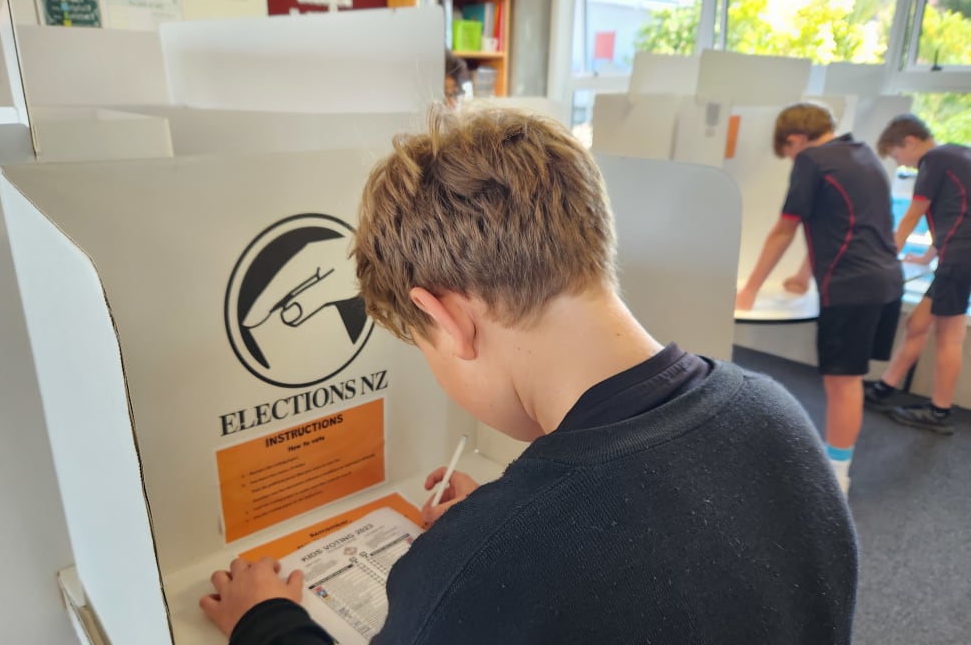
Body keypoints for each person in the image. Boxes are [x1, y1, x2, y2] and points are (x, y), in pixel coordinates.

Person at [201, 107, 857, 645]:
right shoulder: (781, 419)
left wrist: (264, 622)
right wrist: (494, 530)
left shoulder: (482, 569)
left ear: (445, 316)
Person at [735, 103, 903, 494]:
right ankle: (839, 462)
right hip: (887, 281)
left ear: (795, 140)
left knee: (842, 383)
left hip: (852, 285)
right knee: (851, 380)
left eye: (788, 152)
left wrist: (750, 289)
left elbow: (784, 230)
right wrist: (802, 273)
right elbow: (838, 221)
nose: (792, 159)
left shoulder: (812, 159)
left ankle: (837, 478)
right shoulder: (862, 155)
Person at [864, 114, 971, 435]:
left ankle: (939, 411)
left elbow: (914, 213)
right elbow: (957, 212)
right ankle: (886, 388)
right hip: (958, 255)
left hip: (960, 257)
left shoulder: (934, 160)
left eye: (898, 157)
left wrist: (886, 254)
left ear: (909, 142)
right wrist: (927, 255)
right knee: (918, 324)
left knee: (949, 335)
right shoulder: (957, 152)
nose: (905, 166)